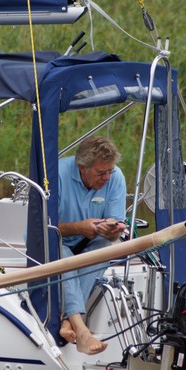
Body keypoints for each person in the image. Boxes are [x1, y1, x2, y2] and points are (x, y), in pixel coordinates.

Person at [57, 135, 126, 355]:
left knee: (106, 247)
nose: (107, 177)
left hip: (91, 239)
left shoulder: (115, 177)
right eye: (101, 172)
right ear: (82, 168)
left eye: (110, 171)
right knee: (64, 256)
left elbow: (117, 226)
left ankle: (68, 321)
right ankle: (82, 330)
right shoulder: (57, 174)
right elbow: (43, 227)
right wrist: (79, 227)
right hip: (54, 237)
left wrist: (113, 229)